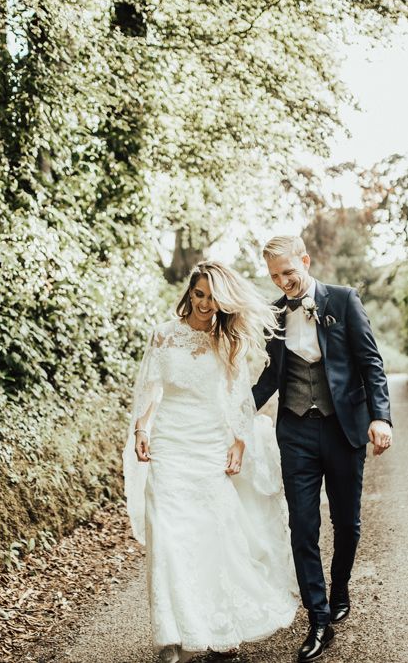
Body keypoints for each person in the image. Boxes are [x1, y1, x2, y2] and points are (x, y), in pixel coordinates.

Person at [123, 261, 299, 663]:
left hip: (209, 446)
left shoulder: (228, 339)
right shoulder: (163, 335)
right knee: (168, 536)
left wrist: (239, 441)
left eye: (212, 297)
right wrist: (141, 431)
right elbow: (150, 389)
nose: (205, 304)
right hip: (169, 445)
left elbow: (238, 394)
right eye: (199, 294)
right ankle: (175, 630)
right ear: (190, 293)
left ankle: (221, 625)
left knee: (212, 535)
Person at [252, 235, 392, 662]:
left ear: (306, 261)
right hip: (295, 432)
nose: (284, 282)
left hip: (343, 427)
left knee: (347, 523)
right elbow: (268, 377)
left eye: (289, 272)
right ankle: (318, 618)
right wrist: (232, 413)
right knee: (303, 526)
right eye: (275, 276)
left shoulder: (344, 300)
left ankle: (341, 585)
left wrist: (380, 416)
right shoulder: (274, 313)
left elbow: (371, 362)